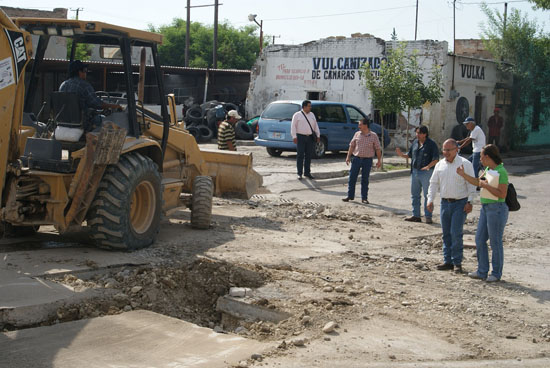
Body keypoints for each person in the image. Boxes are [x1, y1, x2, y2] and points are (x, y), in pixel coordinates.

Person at [456, 144, 509, 282]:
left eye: (481, 156)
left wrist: (486, 186)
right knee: (479, 239)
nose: (480, 159)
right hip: (486, 208)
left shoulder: (501, 171)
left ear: (487, 157)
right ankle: (482, 270)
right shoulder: (487, 169)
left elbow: (502, 193)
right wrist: (463, 175)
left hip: (496, 208)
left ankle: (496, 273)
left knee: (495, 241)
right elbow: (477, 182)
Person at [427, 139, 475, 274]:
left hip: (460, 203)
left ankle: (457, 262)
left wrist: (470, 201)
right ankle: (447, 261)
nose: (446, 153)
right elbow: (433, 183)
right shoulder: (440, 165)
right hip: (445, 203)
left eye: (449, 150)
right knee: (446, 234)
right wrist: (430, 200)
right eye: (444, 150)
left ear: (456, 150)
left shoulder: (465, 164)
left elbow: (472, 184)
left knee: (456, 233)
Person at [59, 60, 122, 130]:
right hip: (83, 122)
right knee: (108, 121)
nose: (86, 73)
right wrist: (114, 106)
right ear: (80, 72)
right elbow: (97, 104)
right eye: (85, 70)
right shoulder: (84, 85)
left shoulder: (63, 85)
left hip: (64, 122)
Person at [395, 125, 439, 223]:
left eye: (419, 133)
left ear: (425, 134)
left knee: (427, 195)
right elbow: (410, 155)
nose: (417, 135)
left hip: (426, 173)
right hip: (415, 171)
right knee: (415, 195)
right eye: (417, 133)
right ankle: (416, 215)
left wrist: (428, 166)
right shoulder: (415, 143)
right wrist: (401, 155)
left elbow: (436, 159)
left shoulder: (431, 144)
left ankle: (428, 216)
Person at [342, 118, 382, 204]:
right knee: (352, 178)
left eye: (360, 124)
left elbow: (378, 149)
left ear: (365, 125)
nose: (358, 126)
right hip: (356, 159)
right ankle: (350, 195)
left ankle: (364, 198)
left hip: (367, 160)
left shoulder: (373, 136)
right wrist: (348, 156)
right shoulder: (357, 134)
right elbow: (352, 146)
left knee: (365, 179)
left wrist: (379, 160)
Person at [291, 100, 320, 180]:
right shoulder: (297, 115)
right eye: (309, 106)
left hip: (310, 137)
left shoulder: (312, 115)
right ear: (304, 107)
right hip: (300, 137)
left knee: (308, 155)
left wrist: (318, 135)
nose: (310, 108)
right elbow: (293, 126)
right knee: (300, 155)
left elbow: (315, 126)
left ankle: (307, 173)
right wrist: (294, 136)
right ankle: (299, 173)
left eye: (310, 106)